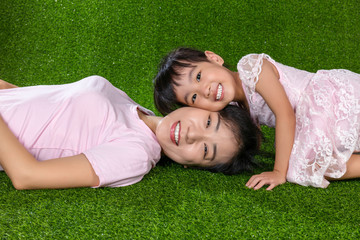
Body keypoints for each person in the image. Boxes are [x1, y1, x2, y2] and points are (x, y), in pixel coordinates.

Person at [0, 76, 261, 190]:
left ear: (190, 166)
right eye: (207, 123)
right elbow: (36, 102)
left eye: (205, 150)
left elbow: (27, 175)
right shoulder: (135, 109)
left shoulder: (135, 155)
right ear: (199, 105)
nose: (193, 136)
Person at [153, 47, 360, 189]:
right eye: (194, 97)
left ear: (214, 58)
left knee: (296, 168)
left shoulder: (251, 69)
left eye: (198, 76)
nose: (205, 90)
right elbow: (252, 136)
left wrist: (278, 171)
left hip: (327, 99)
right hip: (311, 122)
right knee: (312, 167)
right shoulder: (235, 107)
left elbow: (285, 114)